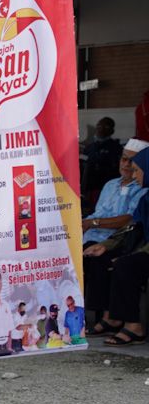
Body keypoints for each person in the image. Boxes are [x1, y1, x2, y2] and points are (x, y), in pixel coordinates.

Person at [89, 146, 149, 346]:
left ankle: (134, 326)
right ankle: (111, 317)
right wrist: (105, 245)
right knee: (100, 256)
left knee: (125, 265)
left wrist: (132, 254)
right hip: (139, 247)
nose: (134, 173)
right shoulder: (145, 198)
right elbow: (133, 229)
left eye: (138, 170)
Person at [81, 139, 147, 245]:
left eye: (132, 161)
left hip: (112, 242)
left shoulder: (143, 189)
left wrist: (93, 223)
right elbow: (98, 213)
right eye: (124, 159)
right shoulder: (110, 184)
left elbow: (130, 219)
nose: (126, 164)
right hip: (87, 236)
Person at [81, 117, 124, 208]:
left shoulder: (117, 148)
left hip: (110, 189)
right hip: (91, 189)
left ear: (112, 131)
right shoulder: (89, 148)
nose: (101, 129)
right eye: (99, 126)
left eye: (106, 127)